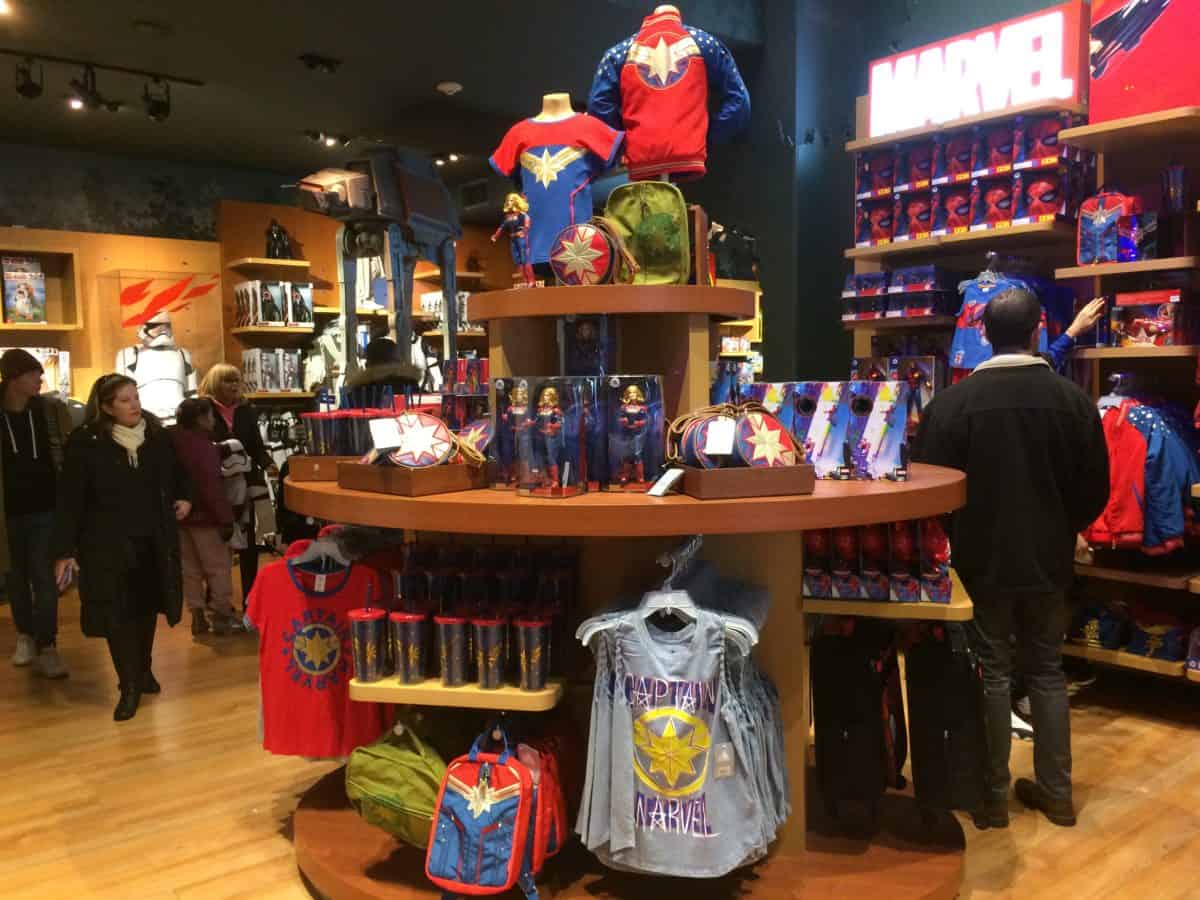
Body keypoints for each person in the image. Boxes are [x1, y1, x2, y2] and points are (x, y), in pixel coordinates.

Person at [913, 288, 1110, 829]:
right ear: (1038, 329)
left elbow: (930, 490)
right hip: (1050, 560)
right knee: (1046, 671)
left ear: (982, 333)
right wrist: (1064, 528)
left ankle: (993, 797)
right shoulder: (1074, 403)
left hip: (981, 562)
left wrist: (959, 536)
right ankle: (1058, 796)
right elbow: (1096, 488)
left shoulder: (950, 405)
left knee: (992, 673)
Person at [52, 374, 193, 721]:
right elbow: (70, 499)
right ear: (106, 407)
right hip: (106, 544)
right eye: (125, 400)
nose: (135, 405)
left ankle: (143, 669)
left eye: (136, 397)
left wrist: (185, 498)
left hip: (152, 540)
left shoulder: (157, 435)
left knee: (146, 609)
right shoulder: (86, 442)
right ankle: (128, 684)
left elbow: (180, 474)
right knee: (117, 614)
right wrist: (65, 550)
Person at [1, 349, 73, 678]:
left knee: (45, 577)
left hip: (46, 508)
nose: (40, 380)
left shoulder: (50, 411)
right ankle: (25, 636)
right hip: (7, 513)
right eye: (33, 374)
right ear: (14, 378)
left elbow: (65, 456)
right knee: (14, 576)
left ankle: (48, 644)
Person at [198, 364, 272, 608]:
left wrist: (269, 464)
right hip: (217, 485)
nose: (233, 385)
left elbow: (256, 446)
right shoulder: (203, 409)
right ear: (214, 383)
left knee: (249, 543)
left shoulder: (246, 410)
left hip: (247, 482)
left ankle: (250, 599)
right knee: (219, 545)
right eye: (227, 380)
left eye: (236, 380)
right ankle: (216, 599)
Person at [170, 397, 239, 637]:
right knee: (218, 568)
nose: (213, 421)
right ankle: (222, 617)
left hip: (180, 517)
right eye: (210, 416)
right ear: (201, 419)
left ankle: (197, 617)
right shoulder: (204, 447)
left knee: (190, 570)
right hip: (207, 518)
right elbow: (211, 487)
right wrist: (226, 519)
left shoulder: (172, 442)